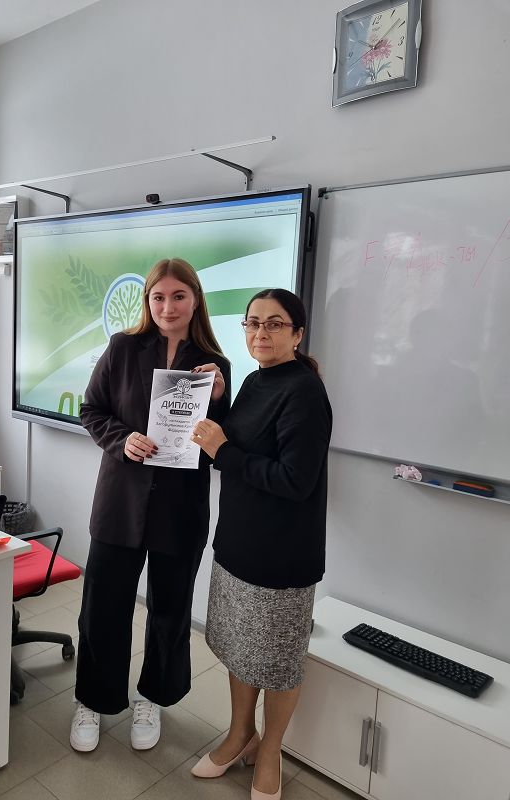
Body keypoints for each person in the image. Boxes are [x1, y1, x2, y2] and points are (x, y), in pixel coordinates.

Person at [70, 257, 230, 753]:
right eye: (158, 297)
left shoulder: (214, 365)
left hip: (179, 508)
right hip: (121, 502)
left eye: (178, 296)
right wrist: (123, 440)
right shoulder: (122, 348)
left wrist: (219, 398)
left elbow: (223, 442)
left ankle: (153, 697)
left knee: (170, 610)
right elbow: (91, 410)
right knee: (103, 606)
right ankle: (93, 699)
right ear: (147, 301)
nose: (168, 306)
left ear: (195, 300)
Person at [190, 288, 332, 800]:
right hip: (238, 543)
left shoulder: (305, 392)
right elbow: (237, 442)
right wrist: (217, 400)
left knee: (278, 663)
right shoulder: (255, 380)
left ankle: (270, 750)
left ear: (298, 334)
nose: (260, 333)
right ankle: (239, 734)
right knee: (239, 649)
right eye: (253, 323)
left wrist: (223, 450)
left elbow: (294, 480)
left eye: (274, 324)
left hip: (282, 556)